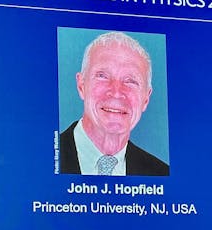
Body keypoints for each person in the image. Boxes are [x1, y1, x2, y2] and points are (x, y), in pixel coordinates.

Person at [59, 31, 169, 176]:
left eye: (130, 81)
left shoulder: (161, 173)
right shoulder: (40, 158)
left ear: (146, 99)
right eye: (102, 76)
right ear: (81, 85)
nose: (116, 92)